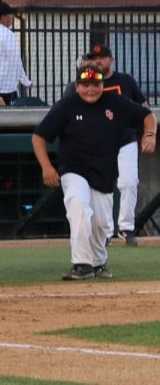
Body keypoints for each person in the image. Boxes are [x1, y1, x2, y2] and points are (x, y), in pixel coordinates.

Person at [33, 63, 155, 280]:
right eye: (85, 84)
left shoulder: (115, 103)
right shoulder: (66, 105)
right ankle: (81, 264)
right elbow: (39, 136)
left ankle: (98, 262)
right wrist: (47, 167)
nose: (90, 89)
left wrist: (150, 135)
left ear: (102, 84)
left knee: (101, 223)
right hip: (74, 169)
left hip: (104, 172)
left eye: (95, 84)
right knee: (79, 209)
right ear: (77, 86)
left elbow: (147, 115)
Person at [67, 45, 151, 246]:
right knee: (101, 189)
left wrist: (146, 132)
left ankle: (126, 228)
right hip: (97, 143)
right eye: (94, 58)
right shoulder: (82, 84)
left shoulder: (125, 80)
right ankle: (105, 233)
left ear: (111, 59)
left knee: (129, 182)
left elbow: (144, 107)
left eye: (102, 57)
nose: (98, 61)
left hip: (125, 139)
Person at [0, 1, 31, 105]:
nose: (12, 17)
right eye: (10, 14)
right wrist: (25, 81)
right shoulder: (8, 34)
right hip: (5, 86)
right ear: (3, 17)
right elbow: (15, 60)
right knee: (6, 117)